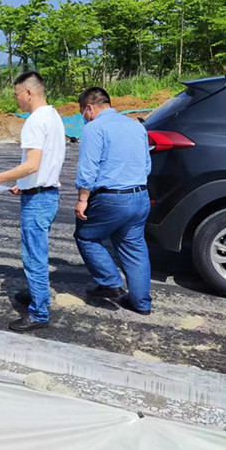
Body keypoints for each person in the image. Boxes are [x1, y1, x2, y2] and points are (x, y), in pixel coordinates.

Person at [0, 72, 66, 332]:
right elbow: (43, 163)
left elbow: (32, 164)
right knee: (37, 252)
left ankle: (39, 313)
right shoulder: (53, 116)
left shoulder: (35, 121)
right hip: (46, 194)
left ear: (28, 92)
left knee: (34, 257)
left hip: (37, 200)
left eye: (16, 94)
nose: (16, 99)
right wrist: (23, 184)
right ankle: (38, 295)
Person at [74, 87, 153, 315]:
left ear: (89, 108)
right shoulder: (136, 126)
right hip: (140, 196)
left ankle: (110, 283)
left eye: (82, 111)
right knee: (134, 248)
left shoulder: (94, 128)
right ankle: (141, 304)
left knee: (86, 236)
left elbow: (88, 168)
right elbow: (146, 165)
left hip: (112, 198)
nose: (84, 117)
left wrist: (82, 199)